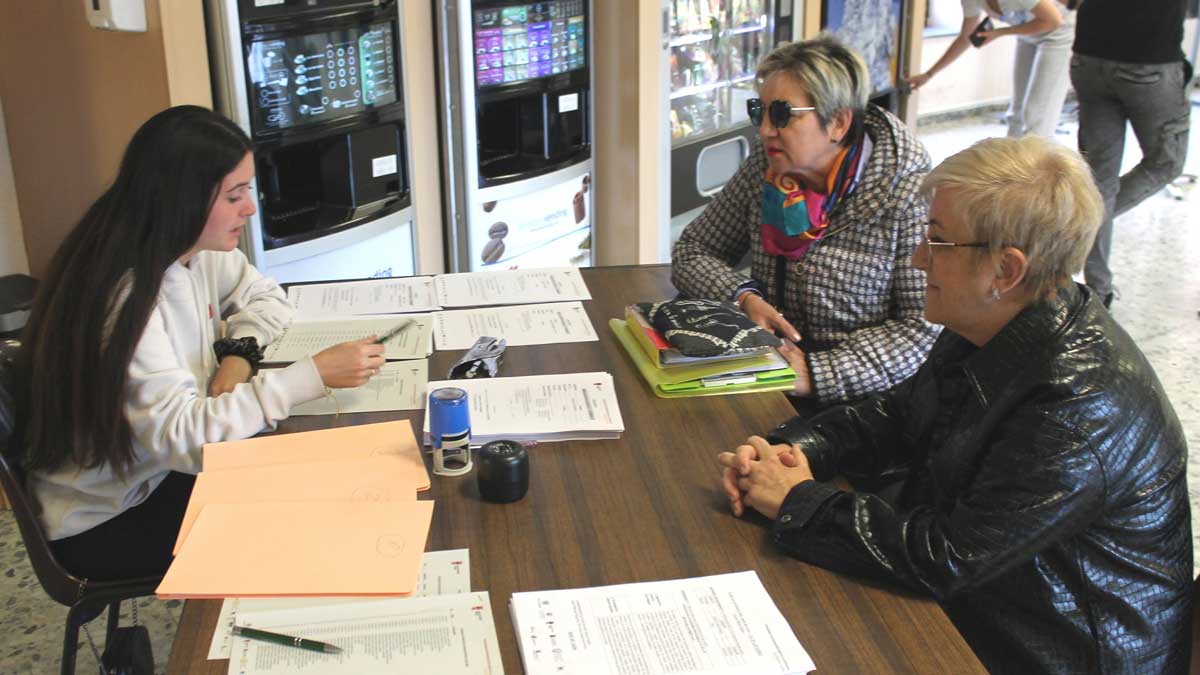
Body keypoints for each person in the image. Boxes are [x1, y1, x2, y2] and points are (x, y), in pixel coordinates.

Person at [717, 136, 1192, 672]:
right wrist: (789, 451)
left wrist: (798, 500)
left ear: (1005, 271)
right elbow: (898, 413)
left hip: (1052, 651)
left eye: (938, 241)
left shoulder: (1076, 404)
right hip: (997, 605)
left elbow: (946, 556)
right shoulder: (997, 317)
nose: (919, 259)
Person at [10, 106, 387, 580]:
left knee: (320, 479)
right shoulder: (123, 296)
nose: (249, 208)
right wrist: (307, 378)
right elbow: (187, 442)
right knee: (308, 527)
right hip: (109, 516)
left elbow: (267, 296)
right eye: (234, 195)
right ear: (182, 199)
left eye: (247, 190)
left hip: (158, 472)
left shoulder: (190, 251)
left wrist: (237, 356)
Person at [672, 35, 939, 407]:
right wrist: (742, 297)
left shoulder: (908, 196)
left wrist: (817, 373)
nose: (764, 129)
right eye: (758, 111)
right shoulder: (765, 171)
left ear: (839, 123)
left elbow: (921, 331)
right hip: (767, 380)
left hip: (862, 413)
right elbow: (692, 250)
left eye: (781, 114)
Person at [1071, 0, 1192, 307]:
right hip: (1147, 62)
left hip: (1088, 57)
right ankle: (1073, 225)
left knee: (1099, 180)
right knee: (1166, 163)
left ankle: (1099, 288)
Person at [905, 0, 1073, 139]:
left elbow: (1054, 20)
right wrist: (929, 74)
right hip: (1028, 37)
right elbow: (966, 37)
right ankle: (1011, 169)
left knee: (1037, 117)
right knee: (1016, 115)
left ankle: (1039, 175)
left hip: (1059, 37)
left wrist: (1001, 32)